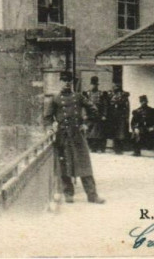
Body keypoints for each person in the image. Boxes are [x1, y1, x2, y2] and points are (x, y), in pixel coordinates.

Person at [43, 72, 105, 204]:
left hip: (77, 134)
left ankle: (92, 195)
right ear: (60, 82)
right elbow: (47, 117)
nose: (67, 83)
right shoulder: (55, 99)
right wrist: (50, 127)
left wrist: (86, 124)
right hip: (63, 135)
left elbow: (93, 109)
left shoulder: (78, 97)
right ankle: (68, 193)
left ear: (72, 83)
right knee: (64, 164)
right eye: (64, 80)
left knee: (85, 164)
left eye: (69, 81)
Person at [82, 77, 109, 153]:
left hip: (99, 116)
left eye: (95, 85)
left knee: (99, 133)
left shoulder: (101, 94)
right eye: (92, 84)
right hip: (89, 116)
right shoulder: (87, 94)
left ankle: (100, 148)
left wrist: (104, 115)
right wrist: (84, 114)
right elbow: (83, 105)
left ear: (97, 85)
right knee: (89, 132)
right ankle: (91, 148)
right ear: (90, 84)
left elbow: (105, 105)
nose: (93, 86)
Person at [108, 82, 130, 154]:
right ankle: (115, 148)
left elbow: (127, 107)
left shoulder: (124, 96)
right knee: (114, 132)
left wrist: (126, 117)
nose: (115, 88)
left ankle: (120, 149)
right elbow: (109, 105)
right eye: (114, 86)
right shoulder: (111, 95)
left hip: (121, 116)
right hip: (114, 116)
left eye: (117, 86)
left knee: (121, 133)